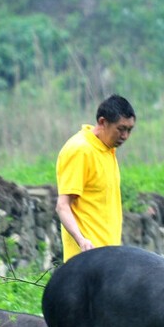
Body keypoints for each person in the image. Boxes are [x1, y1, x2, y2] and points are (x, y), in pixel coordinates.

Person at [55, 94, 136, 262]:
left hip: (108, 258)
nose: (125, 136)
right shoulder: (80, 150)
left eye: (129, 130)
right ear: (102, 122)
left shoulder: (107, 149)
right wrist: (82, 241)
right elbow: (63, 206)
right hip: (86, 261)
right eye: (121, 129)